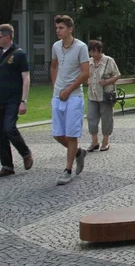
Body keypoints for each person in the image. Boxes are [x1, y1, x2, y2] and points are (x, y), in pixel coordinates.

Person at [50, 15, 89, 186]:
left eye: (61, 28)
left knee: (72, 135)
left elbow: (85, 72)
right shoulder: (56, 46)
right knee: (58, 134)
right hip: (58, 96)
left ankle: (68, 169)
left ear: (70, 29)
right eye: (57, 28)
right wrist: (56, 86)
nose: (58, 31)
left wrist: (68, 89)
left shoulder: (81, 47)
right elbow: (53, 65)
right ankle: (79, 153)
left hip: (74, 96)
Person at [0, 24, 33, 177]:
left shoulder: (19, 54)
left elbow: (26, 78)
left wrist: (23, 100)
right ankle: (7, 165)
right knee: (1, 133)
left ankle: (25, 153)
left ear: (7, 37)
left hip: (13, 99)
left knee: (9, 128)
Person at [86, 40, 120, 152]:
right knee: (91, 118)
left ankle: (105, 141)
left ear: (100, 51)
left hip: (105, 95)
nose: (92, 54)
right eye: (90, 51)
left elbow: (117, 75)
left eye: (94, 51)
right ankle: (94, 142)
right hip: (92, 94)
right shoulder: (89, 61)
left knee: (106, 118)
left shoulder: (108, 60)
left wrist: (107, 81)